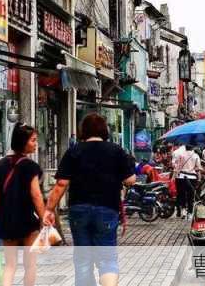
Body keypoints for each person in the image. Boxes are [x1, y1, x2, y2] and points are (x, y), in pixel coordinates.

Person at [43, 113, 136, 286]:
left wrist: (49, 210)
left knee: (83, 260)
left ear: (83, 131)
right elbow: (130, 180)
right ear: (104, 130)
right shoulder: (116, 151)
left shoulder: (74, 151)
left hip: (79, 210)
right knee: (107, 260)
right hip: (107, 209)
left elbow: (61, 184)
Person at [0, 123, 44, 286]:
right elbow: (36, 195)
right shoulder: (31, 167)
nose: (35, 143)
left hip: (5, 220)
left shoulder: (1, 165)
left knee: (10, 265)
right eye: (33, 140)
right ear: (23, 142)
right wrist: (43, 217)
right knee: (30, 265)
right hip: (27, 220)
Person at [172, 144, 202, 219]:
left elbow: (177, 167)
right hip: (192, 177)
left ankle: (183, 210)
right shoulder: (196, 156)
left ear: (185, 147)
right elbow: (198, 168)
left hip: (181, 177)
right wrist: (199, 178)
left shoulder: (180, 155)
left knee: (181, 194)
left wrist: (174, 176)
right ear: (192, 147)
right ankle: (190, 213)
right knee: (191, 196)